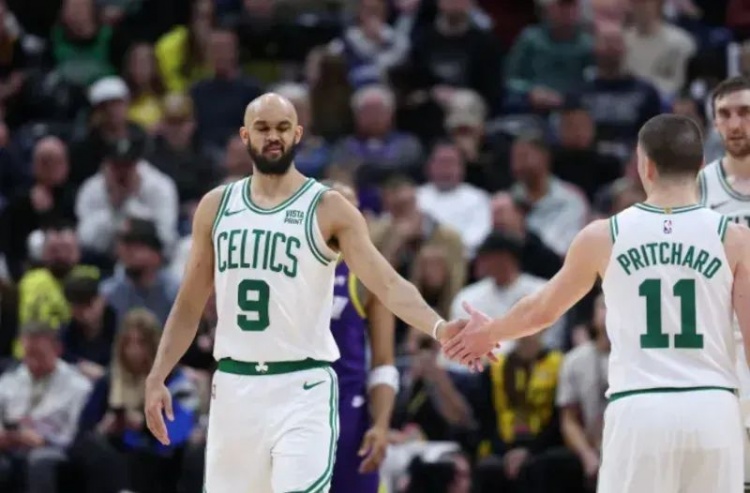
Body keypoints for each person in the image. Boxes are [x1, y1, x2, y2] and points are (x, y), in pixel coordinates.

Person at [142, 93, 475, 493]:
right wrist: (158, 374)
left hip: (301, 387)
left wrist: (440, 327)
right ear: (245, 136)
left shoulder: (328, 207)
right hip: (233, 387)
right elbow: (189, 304)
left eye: (283, 128)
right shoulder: (216, 207)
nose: (273, 136)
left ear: (298, 134)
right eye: (263, 128)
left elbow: (387, 282)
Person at [444, 114, 750, 493]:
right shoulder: (736, 239)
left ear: (644, 166)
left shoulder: (604, 235)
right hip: (712, 409)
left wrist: (490, 332)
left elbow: (542, 310)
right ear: (702, 165)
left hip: (639, 409)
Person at [324, 180, 396, 493]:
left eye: (353, 209)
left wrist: (381, 424)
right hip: (289, 403)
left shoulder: (367, 274)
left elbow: (383, 363)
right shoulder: (283, 268)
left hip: (346, 408)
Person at [697, 75, 750, 482]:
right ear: (714, 123)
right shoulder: (697, 187)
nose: (735, 124)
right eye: (725, 114)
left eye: (745, 113)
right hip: (722, 341)